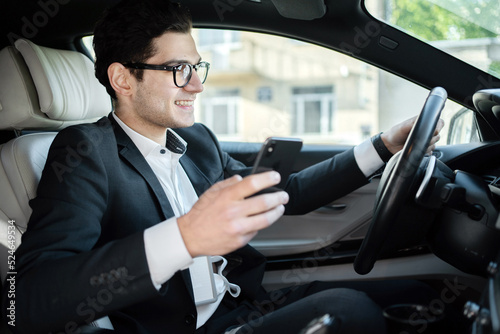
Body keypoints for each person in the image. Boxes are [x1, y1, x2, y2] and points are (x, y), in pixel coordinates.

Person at [5, 0, 444, 333]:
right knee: (351, 312)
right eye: (178, 69)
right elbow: (30, 298)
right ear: (123, 79)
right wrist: (184, 237)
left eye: (197, 67)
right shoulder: (84, 152)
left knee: (420, 297)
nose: (197, 85)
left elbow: (289, 193)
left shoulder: (197, 141)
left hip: (243, 308)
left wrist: (385, 146)